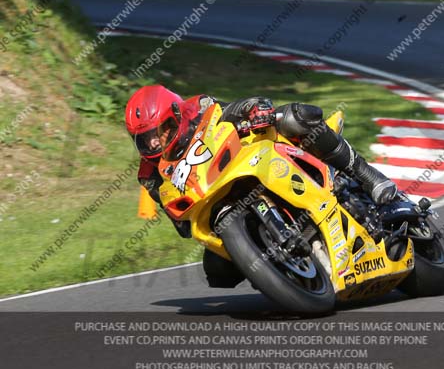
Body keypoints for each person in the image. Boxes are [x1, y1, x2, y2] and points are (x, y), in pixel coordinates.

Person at [125, 85, 398, 288]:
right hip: (215, 202)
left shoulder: (197, 107)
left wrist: (255, 108)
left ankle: (366, 174)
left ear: (174, 117)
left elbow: (229, 110)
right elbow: (182, 227)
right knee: (217, 273)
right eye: (143, 139)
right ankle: (277, 268)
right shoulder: (149, 173)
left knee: (296, 116)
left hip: (247, 157)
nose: (152, 144)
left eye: (156, 133)